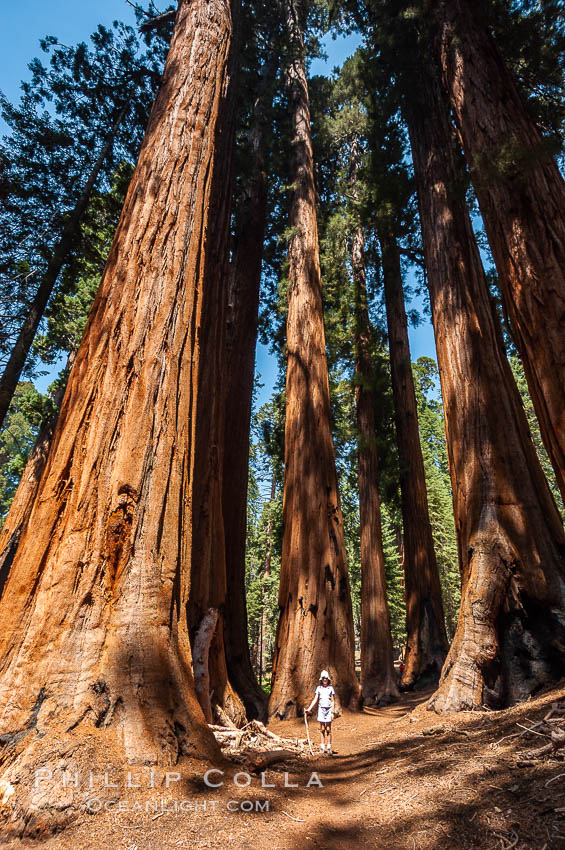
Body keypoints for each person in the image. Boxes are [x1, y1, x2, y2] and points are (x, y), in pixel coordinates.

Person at [306, 670, 335, 755]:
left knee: (328, 729)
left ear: (328, 679)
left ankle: (329, 747)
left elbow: (333, 701)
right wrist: (309, 709)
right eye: (323, 678)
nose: (324, 680)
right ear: (321, 680)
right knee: (322, 729)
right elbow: (315, 699)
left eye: (326, 678)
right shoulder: (319, 688)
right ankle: (322, 747)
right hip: (321, 710)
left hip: (329, 710)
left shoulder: (331, 689)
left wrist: (332, 712)